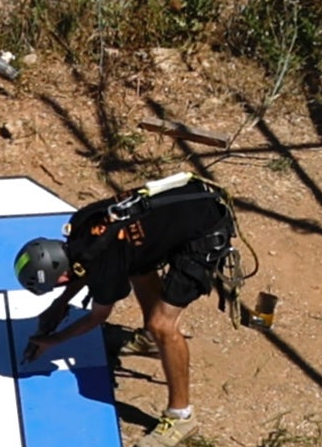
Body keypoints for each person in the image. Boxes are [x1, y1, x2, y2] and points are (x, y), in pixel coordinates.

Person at [40, 170, 242, 423]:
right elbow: (84, 264)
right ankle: (148, 341)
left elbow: (97, 317)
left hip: (205, 231)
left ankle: (180, 416)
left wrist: (54, 340)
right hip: (190, 198)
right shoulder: (80, 224)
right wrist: (60, 304)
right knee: (136, 264)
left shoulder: (105, 267)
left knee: (162, 325)